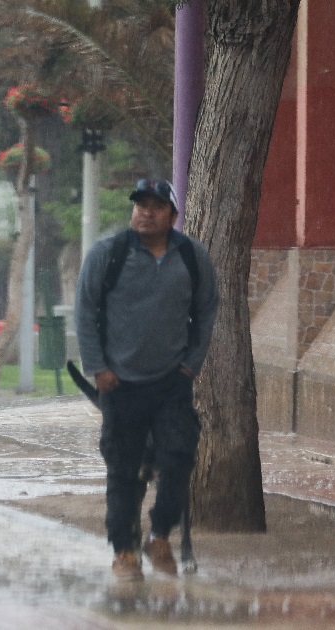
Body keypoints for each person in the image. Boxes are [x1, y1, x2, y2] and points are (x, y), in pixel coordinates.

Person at [74, 178, 219, 580]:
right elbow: (85, 312)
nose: (146, 212)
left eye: (156, 206)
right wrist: (98, 367)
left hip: (171, 383)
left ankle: (159, 535)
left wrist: (192, 363)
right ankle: (123, 550)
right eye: (140, 204)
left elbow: (206, 310)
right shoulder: (109, 254)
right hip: (119, 385)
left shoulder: (191, 257)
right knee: (123, 470)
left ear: (172, 215)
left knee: (178, 459)